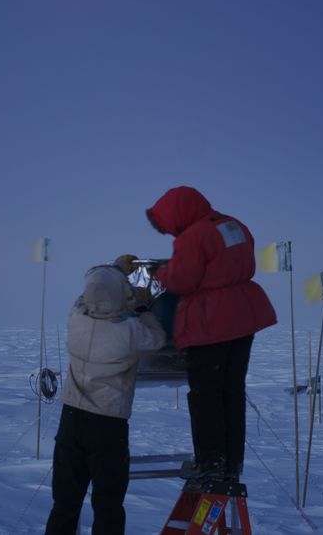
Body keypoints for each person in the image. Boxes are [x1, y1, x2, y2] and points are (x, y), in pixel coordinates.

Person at [147, 186, 277, 483]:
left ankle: (210, 463)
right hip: (243, 318)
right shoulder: (233, 225)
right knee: (231, 392)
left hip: (212, 322)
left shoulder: (194, 236)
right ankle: (231, 463)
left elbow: (182, 280)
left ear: (178, 213)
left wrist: (161, 273)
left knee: (206, 395)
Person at [44, 262, 166, 535]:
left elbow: (86, 298)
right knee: (108, 506)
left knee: (64, 504)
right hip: (108, 425)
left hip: (71, 419)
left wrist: (108, 273)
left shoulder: (76, 319)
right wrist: (143, 307)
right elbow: (157, 339)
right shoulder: (130, 332)